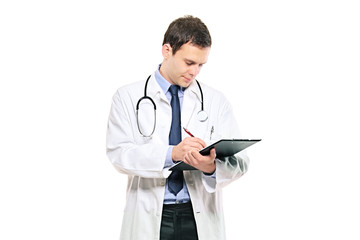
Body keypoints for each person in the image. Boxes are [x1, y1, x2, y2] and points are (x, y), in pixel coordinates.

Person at [106, 15, 249, 240]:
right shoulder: (127, 97)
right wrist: (172, 153)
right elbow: (119, 154)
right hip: (150, 215)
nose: (194, 72)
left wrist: (210, 167)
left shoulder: (215, 101)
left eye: (201, 65)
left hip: (198, 216)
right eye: (189, 62)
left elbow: (240, 164)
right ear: (167, 50)